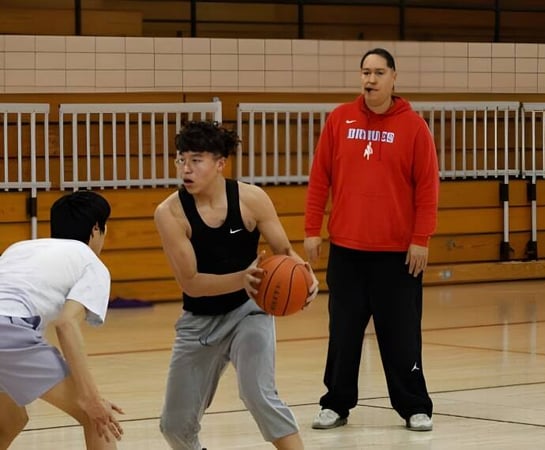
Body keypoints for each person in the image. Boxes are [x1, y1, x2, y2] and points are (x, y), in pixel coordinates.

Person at [154, 120, 316, 450]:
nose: (186, 168)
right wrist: (243, 278)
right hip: (199, 321)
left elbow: (285, 252)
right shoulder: (170, 213)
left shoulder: (251, 199)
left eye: (196, 160)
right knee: (174, 426)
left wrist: (305, 275)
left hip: (249, 311)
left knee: (259, 395)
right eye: (181, 159)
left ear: (220, 164)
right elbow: (192, 283)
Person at [304, 47, 439, 432]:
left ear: (394, 77)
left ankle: (415, 406)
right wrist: (312, 229)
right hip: (347, 250)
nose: (371, 79)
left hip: (398, 255)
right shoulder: (339, 119)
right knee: (343, 334)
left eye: (379, 72)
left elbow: (427, 187)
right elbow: (320, 178)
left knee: (402, 337)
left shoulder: (414, 127)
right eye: (365, 72)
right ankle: (336, 403)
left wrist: (421, 238)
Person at [0, 190, 123, 450]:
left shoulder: (19, 248)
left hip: (7, 335)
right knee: (95, 417)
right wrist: (91, 398)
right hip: (7, 334)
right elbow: (66, 324)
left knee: (8, 422)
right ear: (96, 229)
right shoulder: (90, 262)